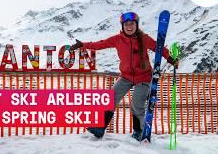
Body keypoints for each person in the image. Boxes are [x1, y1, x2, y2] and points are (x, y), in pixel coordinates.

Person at [70, 12, 178, 141]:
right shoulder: (117, 39)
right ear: (123, 26)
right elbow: (100, 44)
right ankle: (99, 128)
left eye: (131, 23)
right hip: (126, 76)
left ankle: (138, 131)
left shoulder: (144, 38)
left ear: (136, 25)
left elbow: (158, 48)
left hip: (143, 77)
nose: (129, 26)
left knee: (136, 104)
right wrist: (83, 45)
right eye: (126, 24)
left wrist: (171, 59)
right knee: (109, 98)